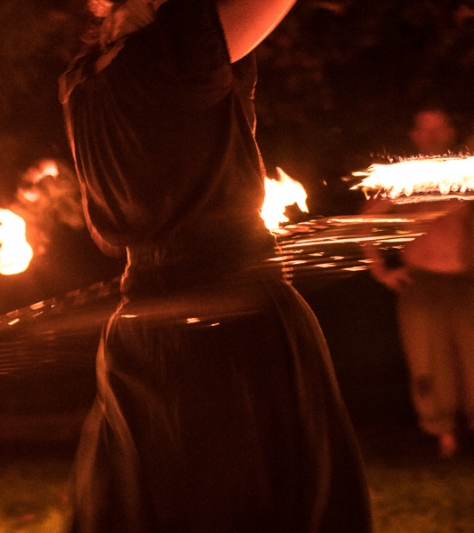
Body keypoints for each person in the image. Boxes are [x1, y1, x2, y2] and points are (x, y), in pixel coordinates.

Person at [59, 0, 372, 531]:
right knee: (242, 493)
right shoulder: (176, 51)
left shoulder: (79, 80)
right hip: (232, 316)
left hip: (141, 322)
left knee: (156, 493)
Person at [365, 196, 474, 458]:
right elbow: (365, 220)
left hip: (466, 279)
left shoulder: (464, 176)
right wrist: (379, 270)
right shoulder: (406, 182)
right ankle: (443, 436)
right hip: (421, 281)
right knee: (428, 360)